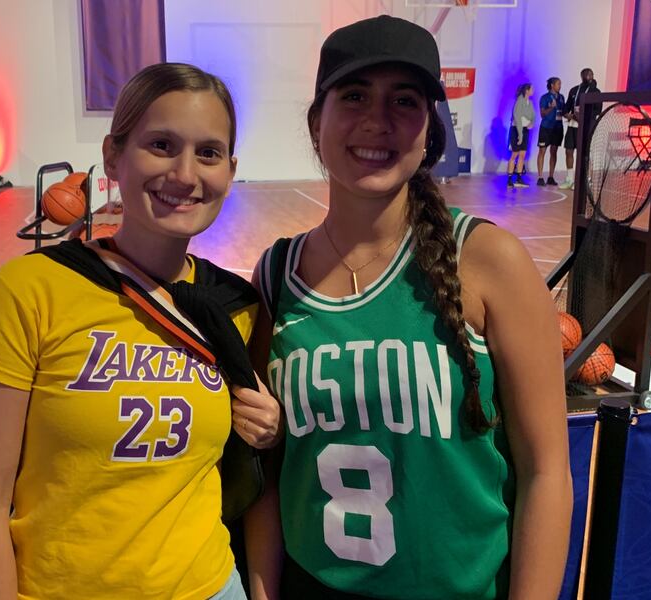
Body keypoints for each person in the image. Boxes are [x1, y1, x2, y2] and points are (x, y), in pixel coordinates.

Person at [238, 15, 572, 600]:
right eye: (355, 96)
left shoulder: (490, 260)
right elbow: (268, 465)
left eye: (404, 100)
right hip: (313, 584)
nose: (377, 120)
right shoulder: (275, 274)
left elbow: (547, 473)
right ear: (317, 121)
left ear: (429, 130)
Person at [0, 63, 281, 600]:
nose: (185, 173)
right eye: (161, 144)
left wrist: (268, 432)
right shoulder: (29, 289)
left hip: (208, 587)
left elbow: (254, 481)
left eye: (208, 152)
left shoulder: (238, 306)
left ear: (230, 169)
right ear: (113, 155)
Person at [560, 68, 601, 190]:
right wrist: (566, 114)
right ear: (582, 76)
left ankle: (585, 179)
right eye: (587, 75)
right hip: (572, 124)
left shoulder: (596, 92)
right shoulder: (574, 90)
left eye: (591, 75)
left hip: (585, 126)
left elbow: (597, 111)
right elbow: (566, 107)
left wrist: (583, 117)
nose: (589, 77)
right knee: (568, 151)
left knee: (583, 153)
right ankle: (569, 179)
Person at [536, 77, 565, 186]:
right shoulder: (545, 97)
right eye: (558, 84)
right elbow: (542, 114)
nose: (560, 86)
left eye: (560, 84)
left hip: (557, 128)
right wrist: (551, 107)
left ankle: (551, 177)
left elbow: (563, 111)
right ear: (552, 85)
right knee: (542, 151)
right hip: (546, 127)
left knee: (554, 151)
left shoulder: (561, 97)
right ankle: (540, 177)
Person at [507, 83, 535, 188]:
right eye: (531, 89)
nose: (533, 90)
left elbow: (533, 116)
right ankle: (510, 178)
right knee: (514, 154)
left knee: (522, 155)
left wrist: (531, 123)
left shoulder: (530, 103)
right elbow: (517, 119)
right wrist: (520, 134)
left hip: (525, 130)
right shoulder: (519, 102)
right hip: (517, 130)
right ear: (526, 90)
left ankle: (519, 177)